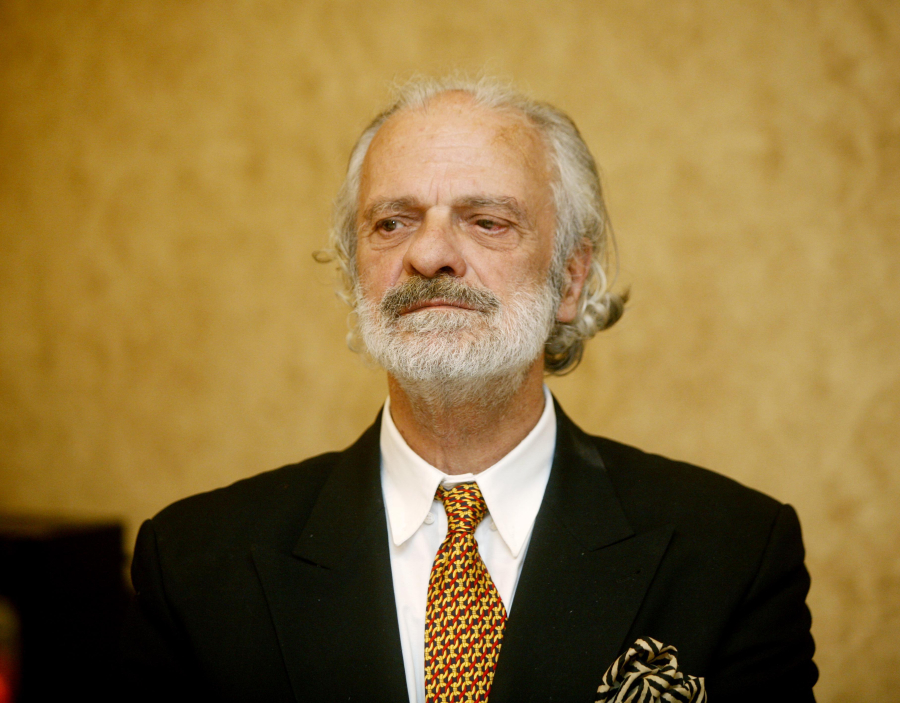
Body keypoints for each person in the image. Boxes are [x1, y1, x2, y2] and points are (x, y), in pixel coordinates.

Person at [121, 77, 817, 702]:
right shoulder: (193, 566)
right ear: (357, 273)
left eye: (487, 221)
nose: (429, 254)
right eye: (392, 223)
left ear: (570, 280)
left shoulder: (734, 555)